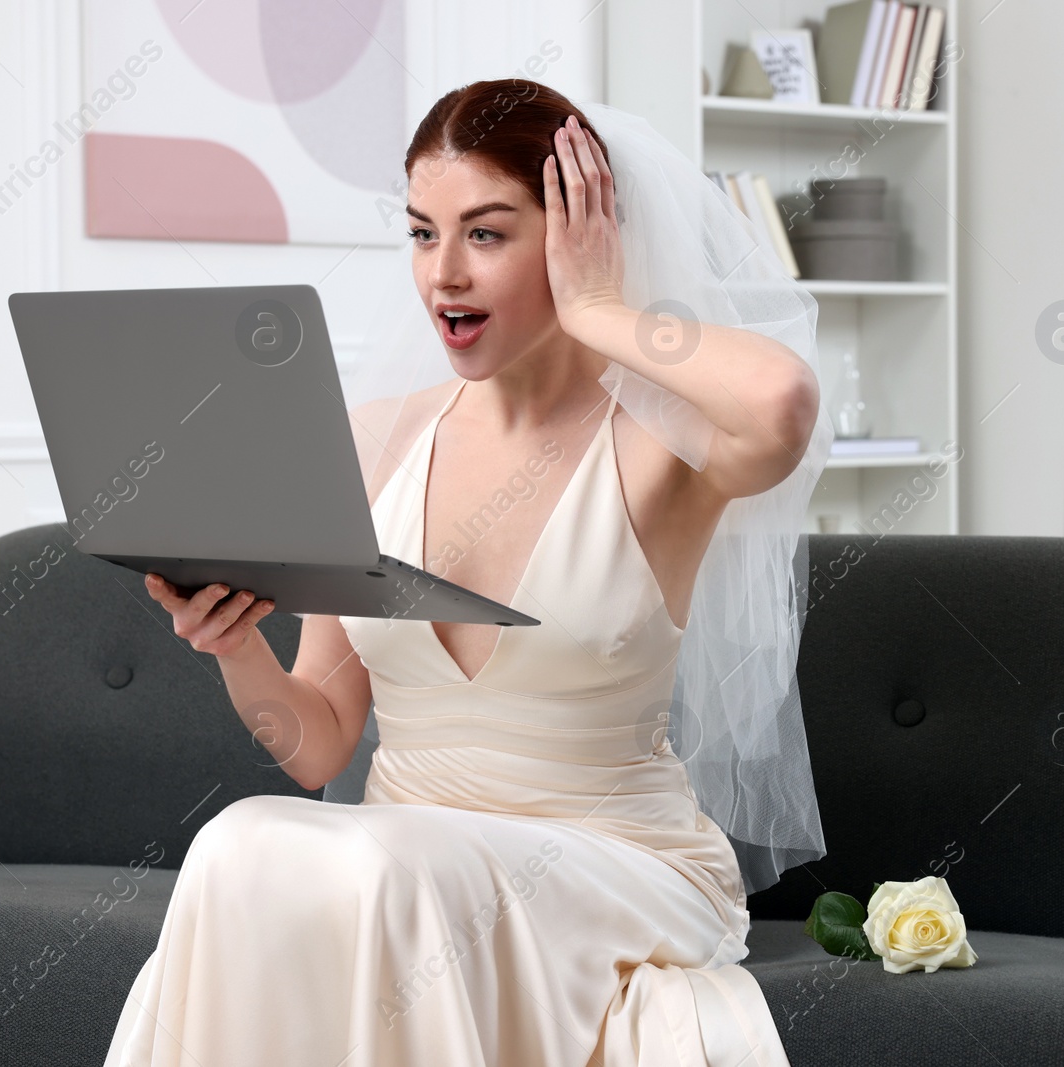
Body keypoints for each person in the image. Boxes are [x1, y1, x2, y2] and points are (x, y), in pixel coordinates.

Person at [103, 79, 828, 1066]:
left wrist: (602, 311)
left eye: (486, 234)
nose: (443, 273)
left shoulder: (664, 446)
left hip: (613, 865)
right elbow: (317, 746)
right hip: (402, 866)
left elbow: (783, 399)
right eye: (419, 233)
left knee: (395, 876)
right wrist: (239, 652)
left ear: (576, 234)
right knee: (237, 838)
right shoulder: (371, 443)